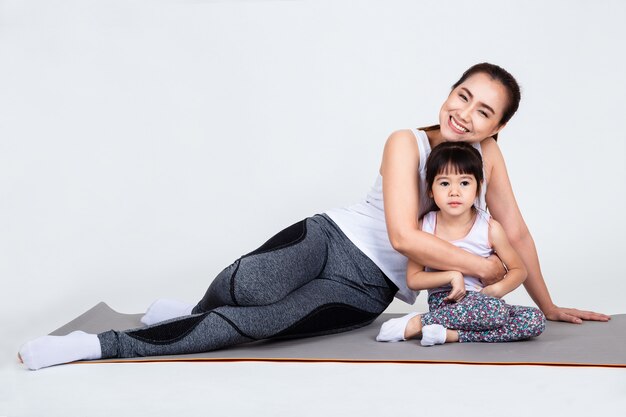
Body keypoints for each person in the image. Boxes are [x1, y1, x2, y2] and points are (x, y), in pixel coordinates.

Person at [18, 63, 609, 370]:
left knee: (258, 324)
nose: (466, 114)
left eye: (484, 112)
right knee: (249, 285)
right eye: (463, 96)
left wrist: (548, 304)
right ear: (448, 93)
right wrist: (486, 261)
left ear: (496, 127)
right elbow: (405, 234)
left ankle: (98, 348)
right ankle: (195, 310)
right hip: (331, 237)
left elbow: (519, 230)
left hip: (366, 285)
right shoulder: (405, 139)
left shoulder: (490, 158)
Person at [376, 141, 545, 346]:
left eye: (464, 183)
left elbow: (519, 270)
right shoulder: (425, 226)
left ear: (477, 188)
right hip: (446, 302)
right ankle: (416, 323)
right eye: (444, 183)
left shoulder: (490, 228)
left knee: (535, 320)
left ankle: (449, 334)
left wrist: (496, 290)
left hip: (483, 300)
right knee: (496, 312)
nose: (454, 192)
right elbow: (413, 279)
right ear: (430, 190)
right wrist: (451, 275)